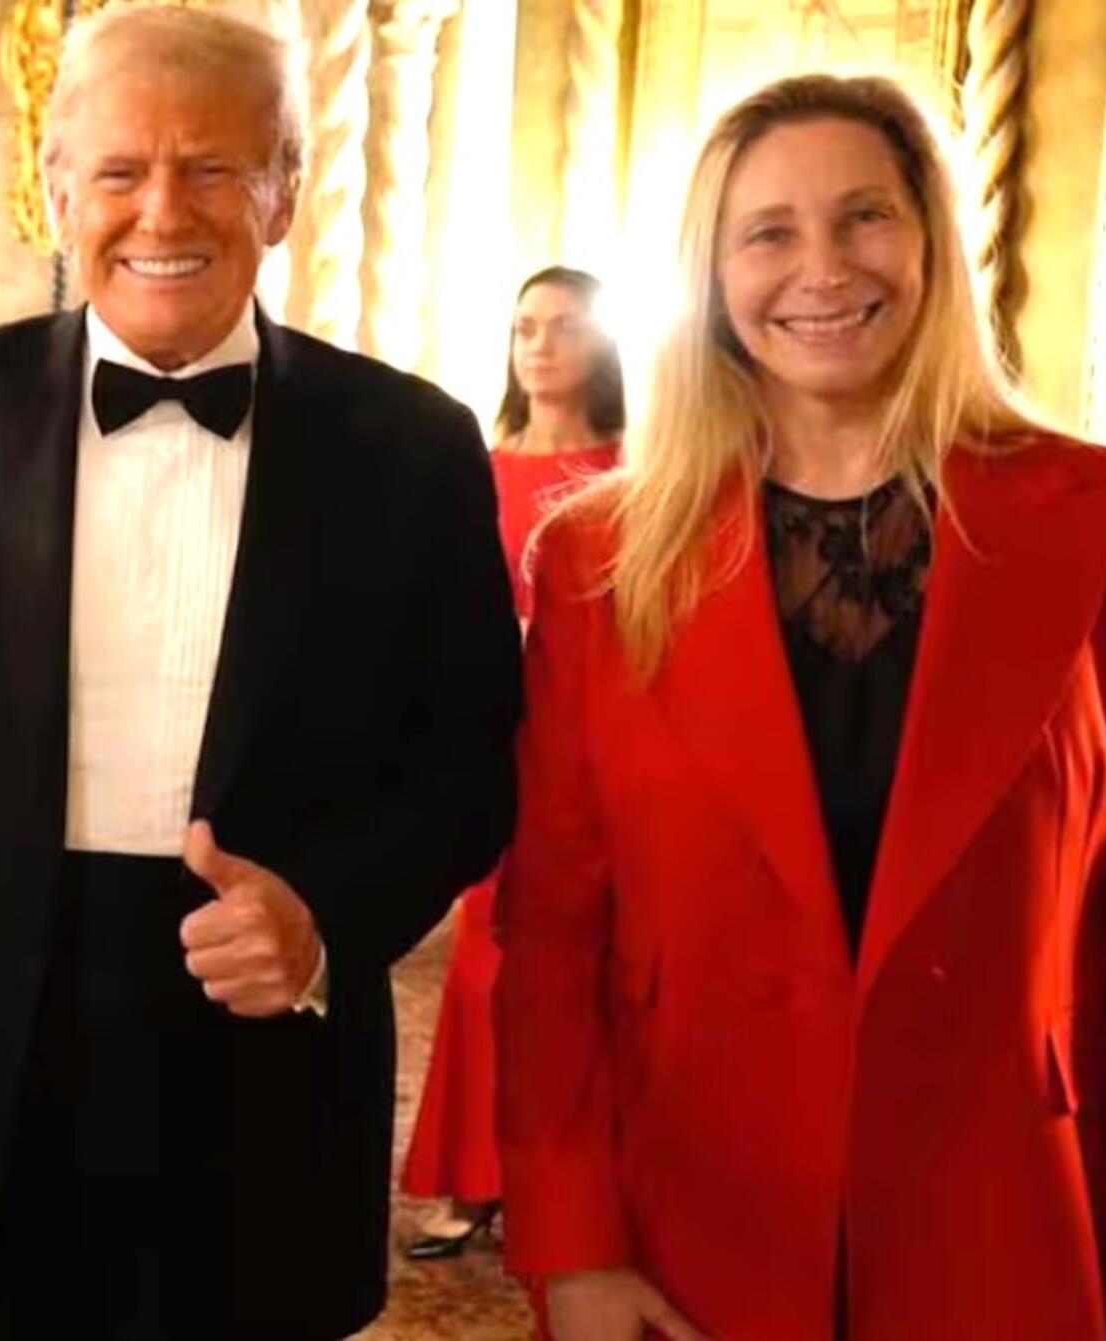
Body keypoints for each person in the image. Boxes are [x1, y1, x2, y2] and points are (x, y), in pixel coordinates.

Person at [0, 8, 519, 1339]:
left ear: (283, 194)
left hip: (265, 1058)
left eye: (215, 167)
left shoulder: (410, 446)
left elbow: (471, 763)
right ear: (59, 194)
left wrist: (323, 914)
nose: (161, 208)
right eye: (119, 170)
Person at [495, 72, 1106, 1341]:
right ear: (711, 278)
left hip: (999, 1211)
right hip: (686, 1229)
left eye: (864, 217)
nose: (822, 268)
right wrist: (571, 1253)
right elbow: (554, 935)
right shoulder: (596, 560)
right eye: (767, 233)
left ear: (931, 244)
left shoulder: (1102, 521)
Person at [400, 265, 622, 1260]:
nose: (538, 345)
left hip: (595, 744)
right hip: (496, 741)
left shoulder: (639, 471)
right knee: (489, 961)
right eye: (523, 326)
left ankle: (569, 1182)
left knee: (593, 963)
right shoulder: (470, 472)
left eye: (562, 327)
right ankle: (472, 1176)